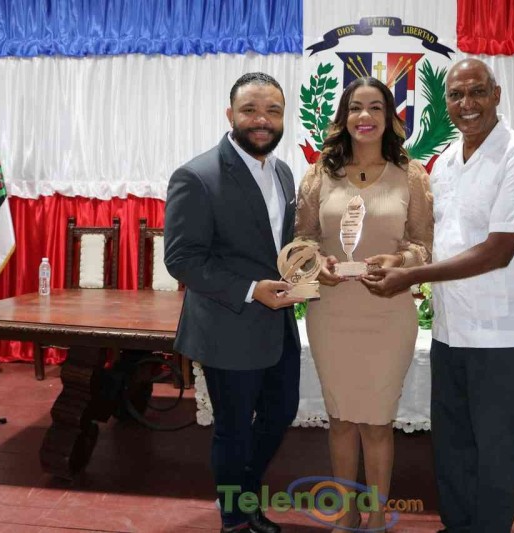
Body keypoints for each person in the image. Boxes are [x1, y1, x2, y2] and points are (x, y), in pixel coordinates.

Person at [363, 59, 514, 533]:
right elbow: (442, 240)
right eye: (455, 95)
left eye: (477, 92)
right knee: (452, 445)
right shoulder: (447, 161)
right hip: (451, 330)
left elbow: (498, 251)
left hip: (504, 335)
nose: (466, 104)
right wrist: (401, 261)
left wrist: (411, 276)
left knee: (497, 450)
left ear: (496, 95)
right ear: (445, 102)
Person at [164, 72, 303, 533]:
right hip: (227, 324)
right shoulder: (196, 176)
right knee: (234, 428)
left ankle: (243, 492)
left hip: (278, 325)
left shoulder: (283, 172)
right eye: (250, 110)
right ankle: (235, 518)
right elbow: (181, 259)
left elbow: (278, 246)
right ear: (230, 115)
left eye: (273, 111)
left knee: (281, 414)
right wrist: (250, 289)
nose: (262, 120)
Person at [294, 76, 433, 532]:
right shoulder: (320, 174)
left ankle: (375, 517)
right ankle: (345, 512)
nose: (365, 116)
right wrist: (317, 263)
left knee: (376, 422)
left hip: (388, 312)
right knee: (340, 420)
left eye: (375, 107)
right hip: (332, 312)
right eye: (356, 107)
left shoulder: (411, 175)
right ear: (344, 116)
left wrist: (400, 261)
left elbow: (423, 246)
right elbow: (302, 239)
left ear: (390, 117)